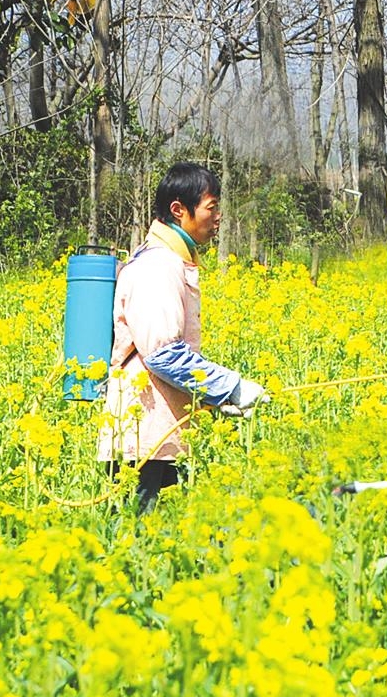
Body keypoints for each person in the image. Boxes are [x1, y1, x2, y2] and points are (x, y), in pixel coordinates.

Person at [98, 162, 267, 513]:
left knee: (161, 541)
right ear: (179, 210)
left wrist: (213, 399)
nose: (218, 216)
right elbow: (163, 354)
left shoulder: (170, 261)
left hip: (159, 432)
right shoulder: (157, 267)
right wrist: (230, 386)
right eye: (212, 206)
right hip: (143, 433)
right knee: (137, 541)